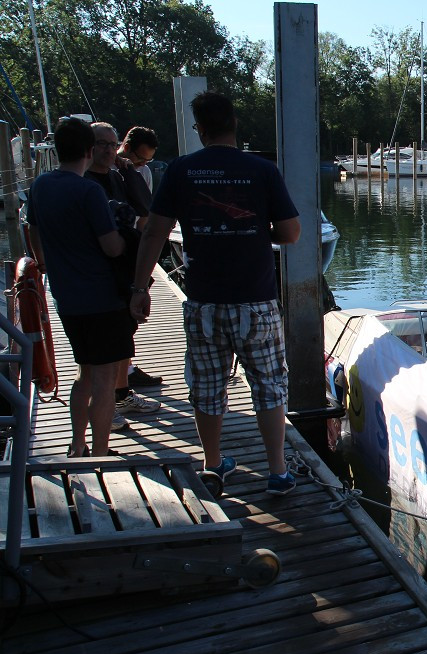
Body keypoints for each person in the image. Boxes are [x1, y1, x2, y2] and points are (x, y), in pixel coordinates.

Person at [130, 90, 301, 495]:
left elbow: (154, 231)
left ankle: (212, 465)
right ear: (235, 124)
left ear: (199, 129)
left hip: (205, 302)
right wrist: (259, 234)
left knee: (207, 386)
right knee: (269, 384)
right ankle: (277, 472)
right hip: (257, 301)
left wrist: (139, 288)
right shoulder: (261, 170)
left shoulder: (180, 170)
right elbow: (291, 233)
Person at [24, 117, 130, 457]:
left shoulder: (41, 186)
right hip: (101, 298)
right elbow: (111, 247)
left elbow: (34, 232)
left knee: (83, 372)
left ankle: (77, 443)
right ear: (88, 151)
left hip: (66, 298)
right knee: (104, 378)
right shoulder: (89, 190)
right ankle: (100, 451)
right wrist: (131, 241)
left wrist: (43, 263)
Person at [86, 121, 163, 420]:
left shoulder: (121, 174)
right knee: (101, 351)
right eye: (101, 144)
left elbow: (146, 210)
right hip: (98, 273)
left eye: (110, 144)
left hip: (123, 272)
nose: (107, 150)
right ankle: (104, 414)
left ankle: (120, 396)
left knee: (122, 337)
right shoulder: (85, 181)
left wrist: (130, 170)